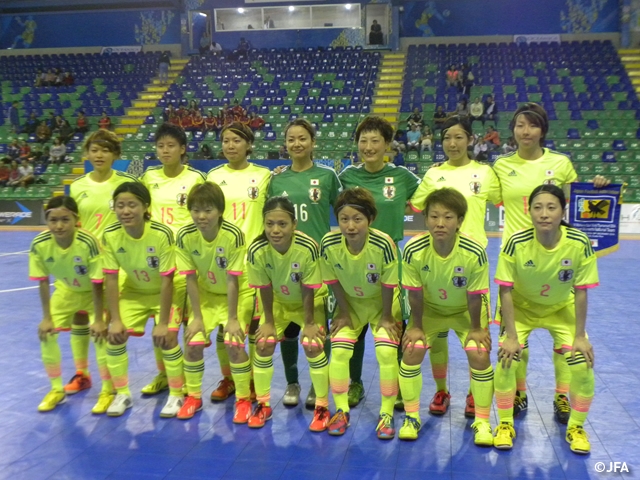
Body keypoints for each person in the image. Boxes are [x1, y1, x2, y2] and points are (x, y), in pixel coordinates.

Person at [492, 102, 608, 424]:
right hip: (517, 261)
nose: (525, 131)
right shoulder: (500, 166)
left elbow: (581, 198)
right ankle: (518, 392)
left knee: (567, 345)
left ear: (542, 130)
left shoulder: (561, 163)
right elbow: (475, 197)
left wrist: (598, 186)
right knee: (516, 343)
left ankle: (561, 396)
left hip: (555, 263)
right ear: (512, 130)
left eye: (531, 125)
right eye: (519, 125)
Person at [493, 184, 598, 454]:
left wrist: (579, 337)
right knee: (507, 359)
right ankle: (505, 423)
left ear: (562, 210)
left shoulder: (579, 242)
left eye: (551, 207)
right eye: (537, 207)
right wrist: (512, 337)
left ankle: (575, 426)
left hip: (562, 307)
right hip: (521, 306)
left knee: (582, 364)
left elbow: (582, 291)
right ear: (529, 211)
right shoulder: (516, 242)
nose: (544, 214)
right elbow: (505, 289)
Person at [409, 115, 500, 417]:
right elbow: (414, 204)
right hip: (437, 262)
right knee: (437, 337)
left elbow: (511, 199)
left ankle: (475, 396)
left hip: (472, 263)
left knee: (478, 339)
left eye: (459, 136)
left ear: (470, 140)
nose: (452, 142)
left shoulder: (485, 173)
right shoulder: (434, 174)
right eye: (447, 137)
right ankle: (441, 391)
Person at [339, 116, 421, 410]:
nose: (369, 146)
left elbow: (428, 196)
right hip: (355, 260)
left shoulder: (403, 177)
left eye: (375, 141)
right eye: (363, 140)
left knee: (396, 323)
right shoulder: (347, 176)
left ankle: (398, 387)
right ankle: (355, 383)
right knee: (356, 325)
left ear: (387, 145)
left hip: (390, 261)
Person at [400, 188, 494, 444]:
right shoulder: (413, 249)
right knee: (412, 350)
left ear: (460, 221)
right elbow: (415, 294)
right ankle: (413, 416)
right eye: (434, 216)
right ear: (426, 218)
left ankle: (482, 421)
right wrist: (416, 326)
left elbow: (475, 295)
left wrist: (476, 329)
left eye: (448, 217)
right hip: (431, 309)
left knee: (478, 352)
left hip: (466, 310)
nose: (440, 223)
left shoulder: (474, 251)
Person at [268, 118, 342, 409]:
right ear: (285, 145)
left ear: (313, 143)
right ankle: (292, 382)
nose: (296, 144)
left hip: (318, 264)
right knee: (288, 328)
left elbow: (346, 209)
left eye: (302, 138)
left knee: (317, 329)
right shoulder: (276, 179)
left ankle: (316, 384)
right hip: (284, 263)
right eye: (291, 139)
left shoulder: (327, 177)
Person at [320, 188, 402, 437]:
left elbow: (389, 284)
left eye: (358, 219)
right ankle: (341, 410)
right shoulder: (329, 243)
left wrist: (387, 317)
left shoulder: (383, 243)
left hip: (383, 304)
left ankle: (386, 412)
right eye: (344, 219)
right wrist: (344, 313)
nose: (350, 226)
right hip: (351, 304)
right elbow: (332, 281)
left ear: (370, 220)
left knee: (387, 353)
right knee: (340, 352)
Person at [247, 196, 331, 430]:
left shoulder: (307, 247)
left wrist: (310, 323)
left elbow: (308, 287)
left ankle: (322, 406)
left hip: (310, 301)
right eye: (270, 223)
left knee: (313, 344)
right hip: (277, 303)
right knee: (263, 343)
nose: (275, 230)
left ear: (294, 224)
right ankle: (264, 404)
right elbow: (263, 287)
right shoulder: (257, 249)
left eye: (282, 224)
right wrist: (269, 322)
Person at [102, 182, 183, 417]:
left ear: (146, 206)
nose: (126, 211)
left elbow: (168, 281)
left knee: (167, 337)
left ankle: (177, 395)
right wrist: (115, 319)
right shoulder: (110, 235)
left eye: (132, 205)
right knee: (114, 337)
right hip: (134, 292)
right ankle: (122, 394)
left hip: (166, 291)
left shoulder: (161, 233)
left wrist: (162, 322)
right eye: (120, 205)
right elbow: (110, 278)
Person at [138, 123, 205, 407]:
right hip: (158, 260)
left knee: (190, 323)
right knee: (162, 321)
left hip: (189, 260)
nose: (165, 151)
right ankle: (165, 375)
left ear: (183, 149)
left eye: (171, 146)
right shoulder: (147, 178)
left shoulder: (197, 179)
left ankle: (190, 383)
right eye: (160, 146)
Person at [175, 182, 255, 421]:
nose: (201, 216)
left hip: (239, 293)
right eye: (196, 210)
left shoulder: (233, 234)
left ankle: (242, 398)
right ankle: (194, 396)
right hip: (207, 294)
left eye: (208, 210)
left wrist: (232, 319)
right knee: (193, 342)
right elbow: (190, 279)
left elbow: (233, 280)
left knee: (234, 342)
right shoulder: (185, 236)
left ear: (220, 210)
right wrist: (196, 318)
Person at [206, 122, 271, 402]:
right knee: (225, 325)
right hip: (221, 261)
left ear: (249, 144)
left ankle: (254, 381)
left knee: (254, 326)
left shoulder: (264, 175)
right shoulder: (212, 176)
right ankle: (230, 378)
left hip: (254, 261)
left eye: (236, 140)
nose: (230, 146)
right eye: (225, 141)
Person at [29, 196, 108, 413]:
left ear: (76, 219)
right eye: (53, 220)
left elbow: (97, 282)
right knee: (47, 332)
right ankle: (57, 389)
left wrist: (100, 319)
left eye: (65, 219)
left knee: (100, 336)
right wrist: (47, 318)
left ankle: (108, 391)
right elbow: (43, 281)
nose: (59, 225)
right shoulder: (40, 244)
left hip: (94, 293)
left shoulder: (87, 242)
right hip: (67, 290)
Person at [70, 129, 137, 238]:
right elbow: (74, 223)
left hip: (119, 252)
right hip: (89, 251)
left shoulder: (129, 183)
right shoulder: (76, 186)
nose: (99, 155)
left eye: (105, 151)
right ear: (87, 154)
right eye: (94, 150)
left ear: (115, 154)